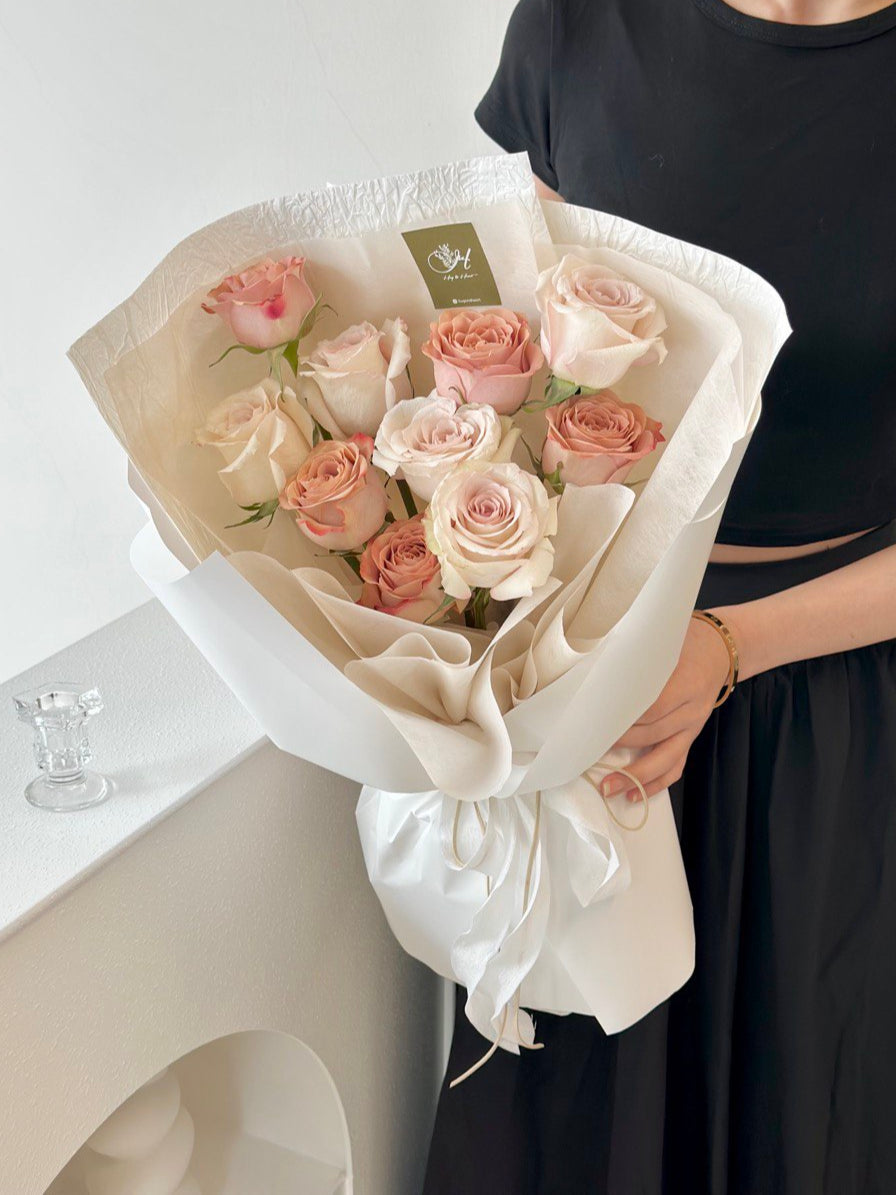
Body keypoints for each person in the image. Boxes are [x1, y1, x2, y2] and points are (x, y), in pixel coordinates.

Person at [422, 1, 896, 1191]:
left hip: (837, 714)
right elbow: (505, 360)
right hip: (587, 699)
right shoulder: (579, 25)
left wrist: (727, 645)